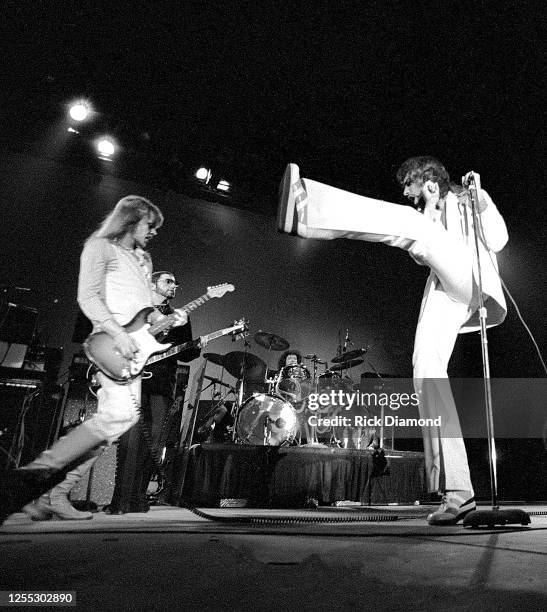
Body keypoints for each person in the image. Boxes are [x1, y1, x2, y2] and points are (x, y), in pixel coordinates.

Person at [278, 158, 508, 524]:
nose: (405, 191)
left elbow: (498, 239)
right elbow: (424, 253)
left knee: (405, 221)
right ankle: (458, 492)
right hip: (443, 286)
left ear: (426, 178)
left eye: (408, 184)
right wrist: (431, 210)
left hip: (469, 276)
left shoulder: (469, 197)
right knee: (426, 373)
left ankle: (309, 207)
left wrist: (480, 198)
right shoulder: (430, 214)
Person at [1, 195, 187, 524]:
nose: (154, 232)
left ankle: (45, 492)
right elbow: (88, 297)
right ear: (130, 220)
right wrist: (118, 334)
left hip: (132, 350)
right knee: (118, 417)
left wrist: (171, 319)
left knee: (119, 420)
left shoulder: (143, 259)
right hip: (111, 345)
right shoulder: (100, 247)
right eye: (149, 225)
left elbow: (140, 309)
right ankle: (33, 486)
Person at [105, 271, 201, 514]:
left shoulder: (179, 317)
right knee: (129, 441)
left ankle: (138, 497)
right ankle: (121, 500)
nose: (174, 286)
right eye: (168, 281)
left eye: (176, 282)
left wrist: (195, 348)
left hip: (161, 384)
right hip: (133, 382)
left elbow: (185, 354)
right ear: (152, 284)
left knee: (154, 443)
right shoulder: (135, 312)